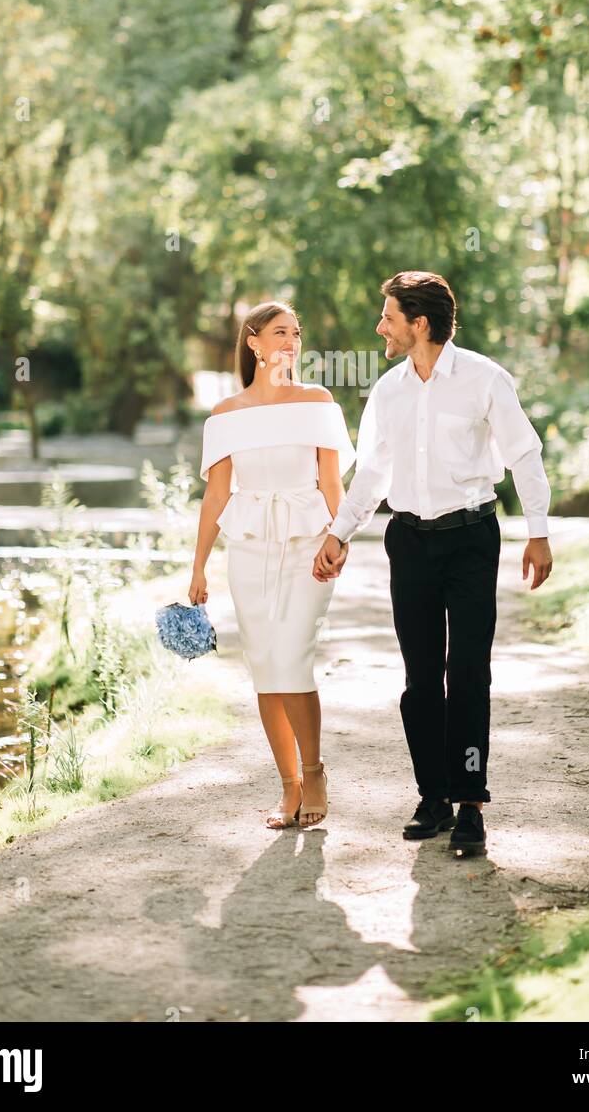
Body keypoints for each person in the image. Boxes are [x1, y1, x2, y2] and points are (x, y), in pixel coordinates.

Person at [313, 271, 553, 856]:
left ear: (419, 324)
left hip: (472, 539)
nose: (381, 328)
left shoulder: (484, 380)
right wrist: (340, 532)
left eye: (389, 317)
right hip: (410, 543)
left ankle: (471, 802)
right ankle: (433, 797)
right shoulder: (390, 390)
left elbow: (524, 454)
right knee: (421, 680)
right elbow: (372, 472)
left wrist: (538, 534)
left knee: (468, 673)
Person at [189, 300, 355, 830]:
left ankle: (315, 771)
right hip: (250, 549)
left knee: (293, 659)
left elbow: (332, 483)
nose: (291, 341)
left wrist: (340, 535)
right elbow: (216, 498)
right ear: (253, 341)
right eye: (280, 332)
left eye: (297, 333)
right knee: (265, 669)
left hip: (306, 544)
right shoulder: (226, 414)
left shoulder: (318, 401)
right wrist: (197, 568)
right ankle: (288, 787)